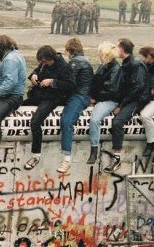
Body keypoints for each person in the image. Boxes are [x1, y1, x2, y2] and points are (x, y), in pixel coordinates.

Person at [88, 38, 148, 174]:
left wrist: (121, 105)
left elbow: (136, 89)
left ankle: (117, 158)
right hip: (127, 98)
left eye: (117, 46)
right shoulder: (125, 64)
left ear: (122, 49)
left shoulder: (135, 64)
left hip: (136, 100)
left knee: (117, 122)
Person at [23, 45, 73, 170]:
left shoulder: (64, 67)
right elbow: (36, 70)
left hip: (53, 98)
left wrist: (52, 82)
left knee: (35, 122)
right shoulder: (45, 63)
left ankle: (36, 155)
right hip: (40, 94)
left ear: (51, 58)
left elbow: (70, 85)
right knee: (20, 105)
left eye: (44, 61)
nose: (43, 63)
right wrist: (34, 76)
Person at [0, 35, 27, 174]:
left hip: (10, 97)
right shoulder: (16, 55)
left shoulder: (10, 60)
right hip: (8, 95)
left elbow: (11, 81)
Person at [56, 38, 95, 174]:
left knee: (67, 121)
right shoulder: (84, 60)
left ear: (70, 51)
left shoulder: (75, 62)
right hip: (83, 95)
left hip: (79, 95)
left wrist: (53, 83)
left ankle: (67, 158)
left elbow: (69, 83)